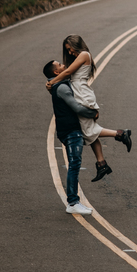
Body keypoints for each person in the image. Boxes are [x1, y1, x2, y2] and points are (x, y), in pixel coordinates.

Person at [45, 34, 132, 183]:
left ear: (75, 44)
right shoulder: (80, 57)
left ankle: (121, 134)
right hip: (80, 93)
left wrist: (52, 81)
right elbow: (66, 76)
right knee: (89, 131)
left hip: (83, 95)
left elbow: (66, 73)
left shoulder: (84, 54)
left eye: (70, 49)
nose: (70, 53)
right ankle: (102, 164)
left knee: (87, 131)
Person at [43, 59, 99, 215]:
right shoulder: (61, 87)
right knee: (74, 164)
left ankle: (74, 201)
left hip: (67, 129)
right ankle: (73, 202)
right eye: (60, 65)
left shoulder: (56, 84)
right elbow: (75, 107)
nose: (64, 66)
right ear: (56, 72)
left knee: (74, 163)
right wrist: (92, 113)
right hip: (70, 130)